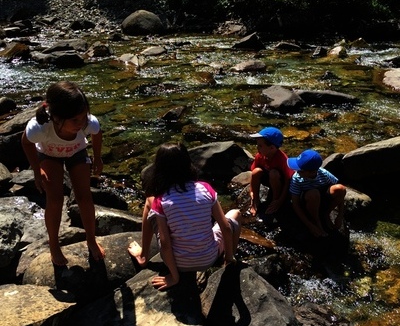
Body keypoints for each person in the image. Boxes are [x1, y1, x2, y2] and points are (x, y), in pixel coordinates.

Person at [129, 142, 242, 290]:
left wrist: (174, 277)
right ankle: (228, 261)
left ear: (159, 169)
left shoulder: (161, 200)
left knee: (149, 202)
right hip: (209, 258)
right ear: (188, 163)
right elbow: (226, 228)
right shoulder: (205, 188)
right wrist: (228, 258)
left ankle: (143, 256)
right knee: (236, 214)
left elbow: (165, 242)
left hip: (179, 263)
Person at [21, 81, 105, 266]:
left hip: (77, 152)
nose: (80, 123)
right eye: (75, 120)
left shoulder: (87, 122)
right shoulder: (40, 127)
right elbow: (26, 143)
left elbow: (97, 133)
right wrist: (36, 171)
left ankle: (91, 239)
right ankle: (54, 245)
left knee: (84, 196)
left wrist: (97, 158)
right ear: (57, 117)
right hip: (49, 155)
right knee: (55, 199)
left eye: (83, 118)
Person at [287, 149, 346, 238]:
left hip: (321, 199)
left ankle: (326, 214)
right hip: (308, 202)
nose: (297, 171)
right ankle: (316, 220)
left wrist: (340, 215)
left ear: (312, 172)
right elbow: (295, 204)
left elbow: (341, 193)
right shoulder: (297, 178)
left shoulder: (323, 174)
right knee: (313, 194)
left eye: (301, 170)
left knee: (340, 188)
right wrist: (310, 225)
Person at [249, 126, 294, 216]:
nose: (257, 148)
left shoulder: (283, 160)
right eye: (257, 145)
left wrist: (280, 201)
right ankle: (256, 201)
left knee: (274, 173)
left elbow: (287, 181)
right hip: (268, 178)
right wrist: (252, 192)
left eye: (260, 146)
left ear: (272, 148)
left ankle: (274, 200)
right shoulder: (260, 155)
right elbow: (253, 175)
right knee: (256, 171)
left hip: (279, 181)